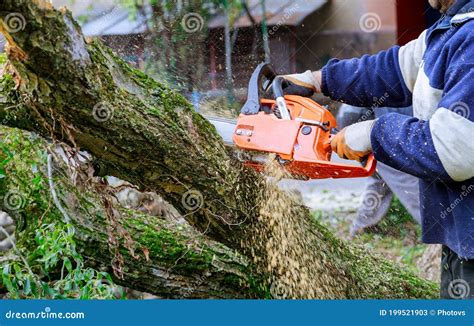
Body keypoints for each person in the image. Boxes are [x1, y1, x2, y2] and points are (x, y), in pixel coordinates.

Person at [278, 0, 474, 299]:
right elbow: (394, 69)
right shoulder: (452, 27)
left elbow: (453, 150)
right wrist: (318, 80)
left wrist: (374, 134)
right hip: (462, 235)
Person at [337, 104, 422, 237]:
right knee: (405, 179)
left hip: (355, 118)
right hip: (363, 123)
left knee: (379, 179)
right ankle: (438, 228)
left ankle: (363, 227)